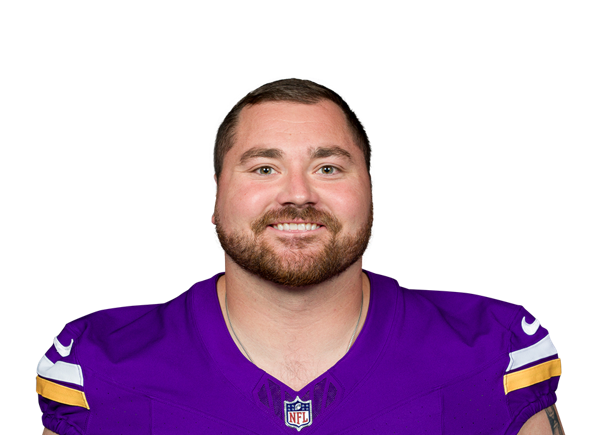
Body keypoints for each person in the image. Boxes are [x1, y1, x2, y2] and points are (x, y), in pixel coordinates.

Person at [36, 78, 564, 434]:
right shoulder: (100, 362)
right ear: (217, 197)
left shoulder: (492, 349)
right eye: (264, 168)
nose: (297, 194)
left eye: (328, 168)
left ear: (371, 193)